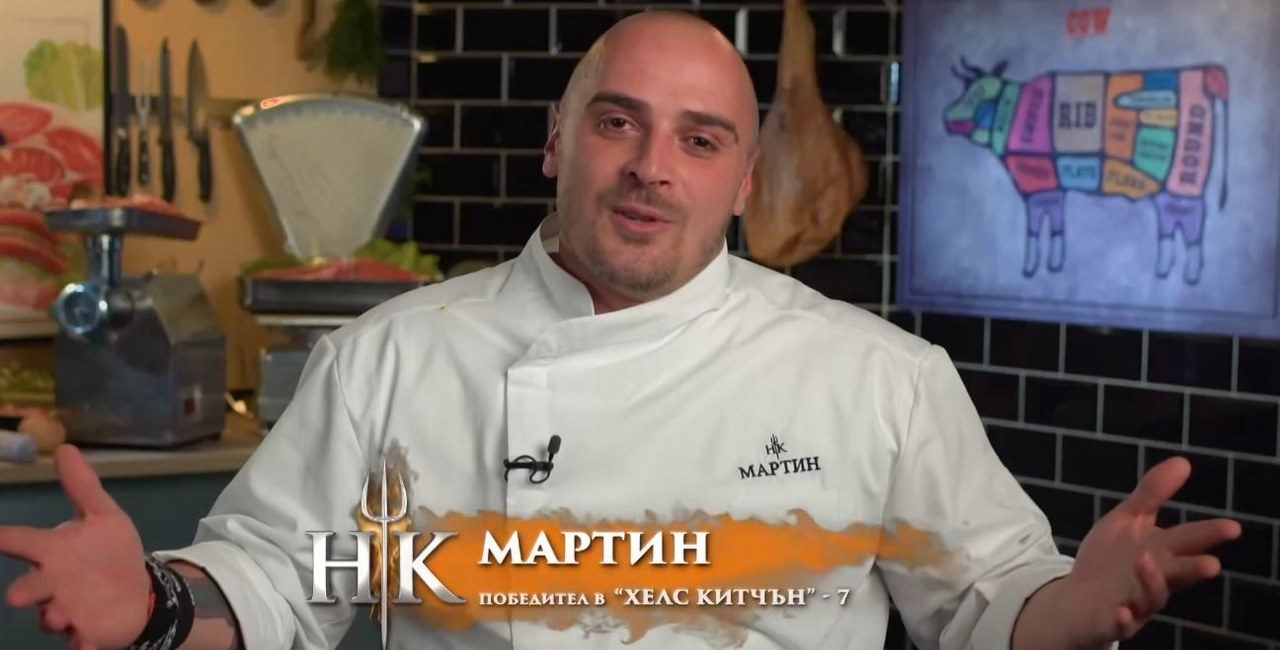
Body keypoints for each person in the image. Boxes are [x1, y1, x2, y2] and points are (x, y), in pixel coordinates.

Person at [0, 11, 1240, 650]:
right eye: (617, 122)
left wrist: (1069, 603)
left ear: (741, 182)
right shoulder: (392, 354)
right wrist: (161, 604)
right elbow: (285, 573)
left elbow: (983, 596)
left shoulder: (877, 377)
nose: (652, 165)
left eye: (698, 140)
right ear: (557, 140)